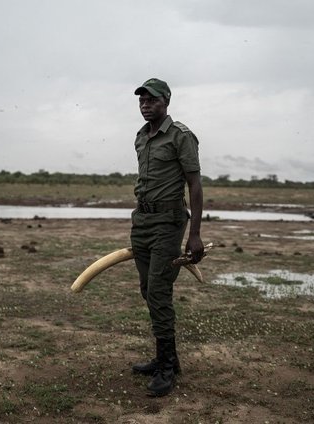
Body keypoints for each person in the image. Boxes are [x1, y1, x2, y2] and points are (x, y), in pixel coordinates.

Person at [130, 78, 204, 396]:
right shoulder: (140, 137)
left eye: (152, 100)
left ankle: (167, 367)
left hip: (169, 221)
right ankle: (166, 357)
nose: (146, 105)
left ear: (166, 102)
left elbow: (195, 185)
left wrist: (196, 234)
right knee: (149, 289)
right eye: (142, 100)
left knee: (159, 291)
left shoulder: (181, 136)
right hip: (142, 220)